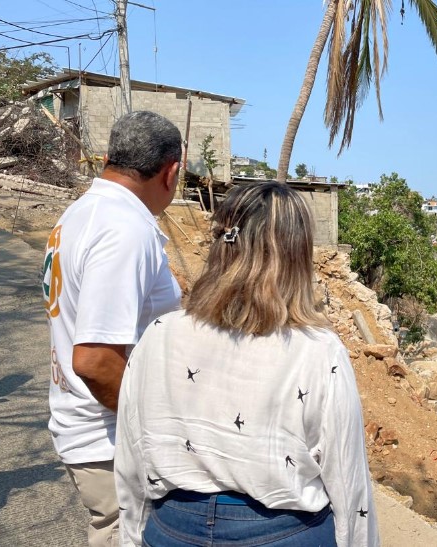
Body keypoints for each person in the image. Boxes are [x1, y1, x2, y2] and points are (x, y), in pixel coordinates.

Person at [114, 182, 380, 547]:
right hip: (282, 533)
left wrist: (132, 537)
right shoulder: (317, 351)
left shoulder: (160, 335)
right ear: (296, 255)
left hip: (173, 527)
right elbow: (348, 482)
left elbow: (132, 456)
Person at [42, 110, 183, 547]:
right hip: (109, 439)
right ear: (171, 172)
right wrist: (155, 428)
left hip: (87, 426)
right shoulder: (124, 229)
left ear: (108, 158)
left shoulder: (82, 213)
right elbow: (96, 360)